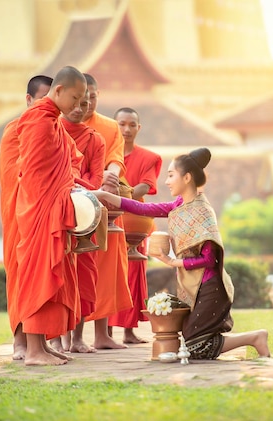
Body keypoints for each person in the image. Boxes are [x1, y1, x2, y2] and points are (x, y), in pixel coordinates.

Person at [92, 147, 271, 360]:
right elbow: (145, 209)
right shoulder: (179, 205)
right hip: (194, 286)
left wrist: (172, 261)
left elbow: (209, 259)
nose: (166, 181)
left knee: (194, 346)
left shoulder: (202, 211)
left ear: (186, 177)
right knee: (191, 344)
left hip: (210, 286)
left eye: (170, 175)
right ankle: (254, 338)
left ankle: (255, 337)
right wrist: (105, 196)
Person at [13, 65, 87, 366]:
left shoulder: (52, 121)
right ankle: (32, 351)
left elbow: (61, 167)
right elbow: (31, 174)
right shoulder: (38, 121)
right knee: (37, 278)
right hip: (39, 210)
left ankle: (41, 346)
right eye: (75, 98)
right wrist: (56, 198)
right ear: (58, 91)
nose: (78, 106)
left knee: (46, 278)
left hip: (51, 207)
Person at [0, 75, 72, 362]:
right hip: (23, 212)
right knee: (24, 274)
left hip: (45, 210)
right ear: (29, 100)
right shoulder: (16, 130)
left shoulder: (54, 127)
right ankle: (22, 341)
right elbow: (18, 174)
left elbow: (68, 163)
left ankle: (40, 343)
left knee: (43, 275)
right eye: (42, 99)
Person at [49, 90, 106, 354]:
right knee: (56, 273)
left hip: (85, 215)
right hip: (54, 212)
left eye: (85, 103)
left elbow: (96, 182)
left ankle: (78, 338)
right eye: (75, 102)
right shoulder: (51, 131)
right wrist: (68, 179)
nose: (79, 108)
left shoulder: (96, 140)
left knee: (84, 275)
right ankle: (56, 338)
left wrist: (71, 180)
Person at [82, 74, 132, 349]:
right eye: (82, 95)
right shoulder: (64, 123)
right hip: (78, 198)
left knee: (108, 264)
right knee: (77, 265)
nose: (87, 101)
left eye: (92, 95)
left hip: (106, 199)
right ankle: (69, 336)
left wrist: (109, 176)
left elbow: (116, 158)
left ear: (98, 94)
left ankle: (103, 334)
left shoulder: (109, 126)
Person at [108, 107, 162, 344]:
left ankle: (129, 332)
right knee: (108, 274)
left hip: (135, 221)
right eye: (121, 124)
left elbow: (146, 185)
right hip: (109, 219)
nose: (126, 129)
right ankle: (105, 332)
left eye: (131, 125)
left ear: (138, 128)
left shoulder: (148, 157)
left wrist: (123, 194)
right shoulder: (107, 155)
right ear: (114, 125)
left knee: (133, 274)